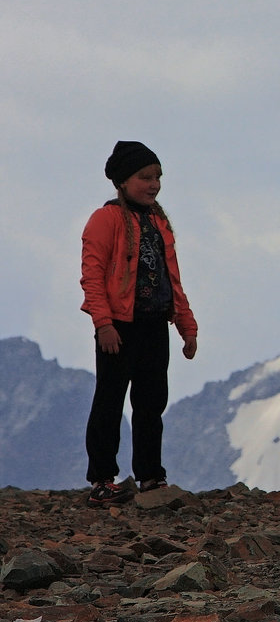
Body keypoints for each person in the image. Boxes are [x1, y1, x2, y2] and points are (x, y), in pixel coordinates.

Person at [80, 141, 198, 507]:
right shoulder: (107, 219)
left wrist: (185, 325)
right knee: (110, 401)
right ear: (122, 181)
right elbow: (93, 274)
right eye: (145, 177)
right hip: (118, 327)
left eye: (158, 176)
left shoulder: (158, 221)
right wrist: (103, 323)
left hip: (152, 324)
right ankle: (102, 479)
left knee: (151, 403)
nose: (154, 184)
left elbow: (170, 278)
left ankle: (150, 476)